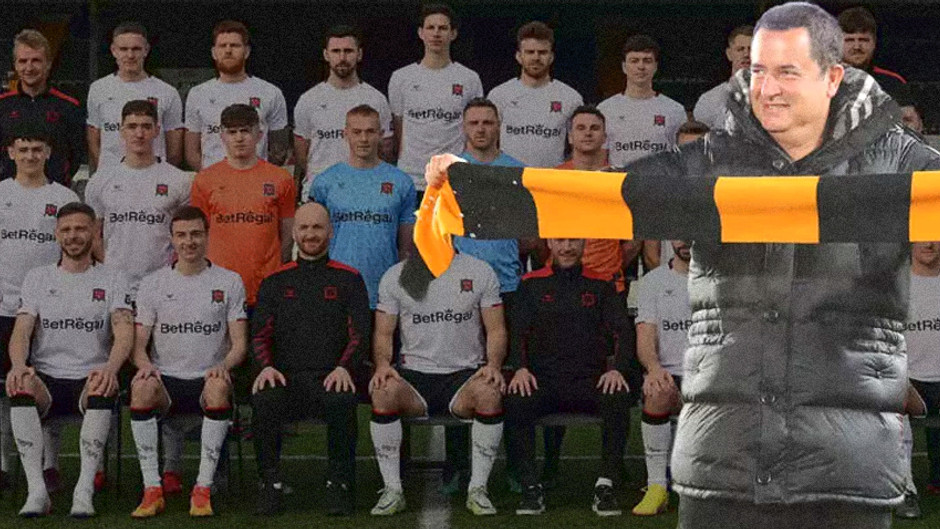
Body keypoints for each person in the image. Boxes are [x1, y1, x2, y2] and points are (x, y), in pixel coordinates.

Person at [423, 3, 940, 527]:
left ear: (832, 77)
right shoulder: (712, 160)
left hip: (846, 464)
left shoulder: (895, 159)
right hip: (724, 458)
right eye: (760, 71)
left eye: (789, 71)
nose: (770, 87)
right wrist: (471, 185)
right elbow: (602, 195)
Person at [5, 202, 133, 518]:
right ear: (56, 234)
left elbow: (124, 330)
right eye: (66, 230)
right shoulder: (37, 277)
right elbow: (22, 330)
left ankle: (83, 490)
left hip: (90, 377)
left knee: (102, 385)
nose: (73, 236)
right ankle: (37, 491)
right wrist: (18, 365)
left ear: (94, 231)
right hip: (47, 377)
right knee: (20, 383)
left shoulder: (114, 277)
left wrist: (111, 368)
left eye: (80, 229)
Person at [251, 202, 371, 516]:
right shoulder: (275, 281)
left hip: (331, 376)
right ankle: (269, 484)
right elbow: (259, 335)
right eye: (304, 228)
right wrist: (266, 367)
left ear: (330, 232)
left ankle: (339, 484)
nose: (310, 234)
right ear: (294, 233)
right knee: (264, 397)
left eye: (317, 227)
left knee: (342, 398)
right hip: (286, 378)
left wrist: (344, 368)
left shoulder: (349, 279)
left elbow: (360, 334)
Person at [126, 206, 246, 518]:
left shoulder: (229, 281)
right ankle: (152, 489)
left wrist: (225, 365)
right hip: (166, 380)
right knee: (141, 388)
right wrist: (144, 366)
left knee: (219, 387)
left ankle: (202, 488)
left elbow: (240, 344)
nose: (188, 241)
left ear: (207, 236)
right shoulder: (153, 283)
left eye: (195, 234)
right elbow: (138, 346)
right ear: (172, 239)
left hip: (207, 380)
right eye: (181, 235)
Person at [368, 252, 506, 516]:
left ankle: (478, 489)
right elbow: (383, 332)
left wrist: (494, 365)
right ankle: (392, 490)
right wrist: (383, 365)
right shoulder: (396, 275)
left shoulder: (479, 271)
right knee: (383, 391)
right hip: (414, 377)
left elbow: (496, 329)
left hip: (465, 376)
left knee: (490, 392)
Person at [505, 237, 632, 517]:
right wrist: (520, 368)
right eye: (560, 241)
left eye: (573, 241)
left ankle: (606, 484)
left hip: (589, 381)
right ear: (549, 243)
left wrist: (617, 370)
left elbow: (622, 331)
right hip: (544, 382)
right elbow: (517, 333)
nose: (567, 247)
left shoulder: (601, 284)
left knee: (618, 394)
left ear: (584, 244)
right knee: (516, 397)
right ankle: (530, 486)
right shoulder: (530, 284)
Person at [0, 125, 79, 488]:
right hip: (4, 306)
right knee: (7, 385)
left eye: (37, 149)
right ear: (11, 153)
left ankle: (50, 464)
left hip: (50, 308)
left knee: (45, 381)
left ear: (48, 153)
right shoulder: (2, 193)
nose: (30, 156)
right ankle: (4, 464)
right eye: (23, 149)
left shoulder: (63, 197)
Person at [191, 103, 295, 310]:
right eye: (232, 132)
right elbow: (199, 234)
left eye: (245, 131)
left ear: (259, 134)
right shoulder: (205, 180)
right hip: (218, 288)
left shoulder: (281, 178)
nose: (239, 138)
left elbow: (287, 234)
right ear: (222, 136)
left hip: (267, 288)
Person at [309, 104, 415, 309]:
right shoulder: (325, 181)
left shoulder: (401, 182)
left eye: (370, 132)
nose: (364, 139)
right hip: (335, 291)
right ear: (345, 134)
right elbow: (313, 240)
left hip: (384, 291)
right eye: (357, 132)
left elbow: (406, 247)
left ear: (381, 134)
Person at [84, 100, 191, 291]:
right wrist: (110, 268)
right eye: (132, 127)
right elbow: (93, 235)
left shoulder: (179, 180)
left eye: (146, 127)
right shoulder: (100, 180)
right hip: (115, 285)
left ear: (157, 130)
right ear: (121, 130)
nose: (139, 134)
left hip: (164, 284)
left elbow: (187, 235)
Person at [388, 3, 483, 195]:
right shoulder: (401, 78)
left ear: (453, 34)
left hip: (453, 179)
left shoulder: (469, 79)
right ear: (421, 33)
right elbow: (398, 128)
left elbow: (473, 129)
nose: (436, 33)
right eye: (431, 27)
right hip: (411, 178)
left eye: (443, 28)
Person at [294, 24, 393, 198]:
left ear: (359, 54)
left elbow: (386, 150)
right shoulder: (308, 100)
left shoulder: (376, 99)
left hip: (364, 190)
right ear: (326, 55)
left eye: (348, 51)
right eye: (336, 51)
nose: (342, 57)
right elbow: (302, 154)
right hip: (319, 192)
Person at [631, 240, 691, 516]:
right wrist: (653, 368)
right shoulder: (653, 281)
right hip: (672, 376)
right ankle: (657, 486)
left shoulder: (720, 281)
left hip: (709, 377)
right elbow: (645, 336)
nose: (686, 241)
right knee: (656, 390)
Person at [185, 20, 289, 171]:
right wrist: (209, 177)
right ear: (213, 52)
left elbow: (279, 149)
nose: (228, 50)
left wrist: (261, 175)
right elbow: (191, 152)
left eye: (234, 45)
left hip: (256, 179)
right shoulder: (197, 94)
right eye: (222, 46)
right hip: (214, 179)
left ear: (246, 51)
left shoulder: (270, 92)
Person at [86, 22, 184, 172]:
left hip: (154, 176)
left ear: (146, 50)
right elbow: (94, 139)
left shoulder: (167, 92)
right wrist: (106, 171)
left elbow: (174, 150)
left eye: (136, 49)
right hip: (112, 176)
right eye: (123, 49)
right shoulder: (98, 89)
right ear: (113, 50)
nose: (130, 55)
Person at [452, 98, 525, 298]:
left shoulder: (518, 171)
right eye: (474, 123)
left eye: (488, 123)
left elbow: (529, 237)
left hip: (507, 281)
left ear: (499, 126)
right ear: (464, 127)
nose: (481, 129)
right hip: (463, 283)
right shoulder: (450, 172)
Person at [487, 21, 583, 167]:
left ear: (551, 57)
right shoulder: (499, 95)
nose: (536, 57)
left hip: (551, 178)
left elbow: (579, 146)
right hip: (509, 177)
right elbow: (487, 142)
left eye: (542, 52)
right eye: (530, 52)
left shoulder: (570, 98)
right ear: (519, 56)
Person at [0, 30, 83, 186]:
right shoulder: (3, 104)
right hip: (7, 194)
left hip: (54, 192)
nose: (29, 67)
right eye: (23, 61)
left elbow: (76, 154)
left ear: (48, 64)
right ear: (15, 65)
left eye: (36, 60)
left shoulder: (68, 106)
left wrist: (57, 181)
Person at [598, 34, 687, 169]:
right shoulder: (605, 109)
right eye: (634, 61)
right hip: (620, 181)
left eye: (647, 61)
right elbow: (599, 158)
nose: (641, 66)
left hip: (659, 180)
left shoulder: (674, 110)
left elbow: (682, 159)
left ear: (655, 66)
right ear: (624, 67)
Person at [898, 241, 940, 519]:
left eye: (935, 236)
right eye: (923, 236)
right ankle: (906, 490)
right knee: (893, 406)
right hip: (908, 381)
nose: (929, 243)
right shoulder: (898, 287)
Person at [838, 6, 908, 99]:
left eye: (863, 40)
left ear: (874, 42)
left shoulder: (894, 83)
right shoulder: (824, 81)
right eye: (849, 40)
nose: (857, 46)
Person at [693, 25, 753, 129]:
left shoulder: (775, 98)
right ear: (729, 54)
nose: (746, 54)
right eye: (740, 49)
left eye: (751, 49)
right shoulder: (710, 100)